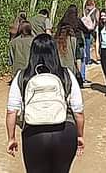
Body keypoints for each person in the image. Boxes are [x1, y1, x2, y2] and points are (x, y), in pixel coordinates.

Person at [6, 34, 85, 173]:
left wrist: (11, 138)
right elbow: (78, 110)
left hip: (34, 133)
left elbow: (12, 111)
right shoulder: (66, 74)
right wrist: (79, 135)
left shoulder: (22, 76)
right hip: (65, 131)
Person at [56, 7, 85, 85]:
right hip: (77, 43)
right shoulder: (77, 20)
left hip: (60, 68)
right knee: (80, 57)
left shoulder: (62, 21)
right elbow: (78, 57)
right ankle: (82, 77)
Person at [81, 0, 99, 67]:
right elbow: (97, 19)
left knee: (86, 44)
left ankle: (86, 59)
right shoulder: (95, 11)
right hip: (93, 29)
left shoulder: (84, 10)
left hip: (85, 29)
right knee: (96, 43)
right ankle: (96, 57)